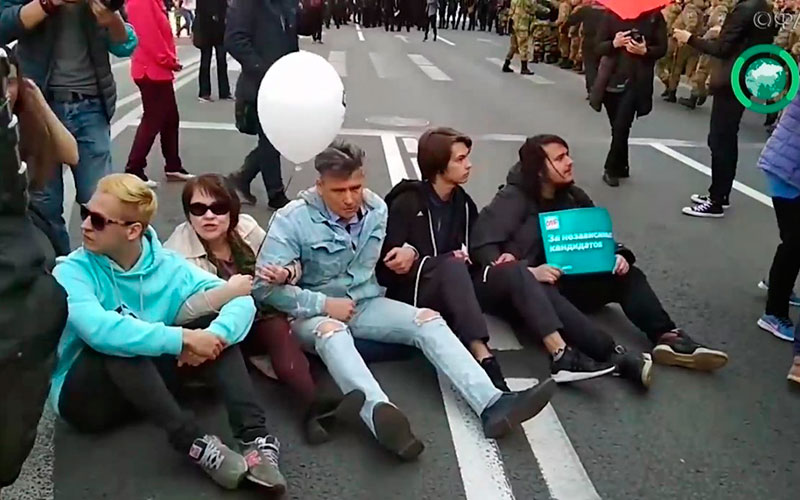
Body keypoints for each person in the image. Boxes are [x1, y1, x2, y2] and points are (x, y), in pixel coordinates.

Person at [253, 141, 556, 460]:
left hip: (364, 302)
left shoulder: (375, 210)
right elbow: (264, 290)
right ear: (319, 185)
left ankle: (493, 403)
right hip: (311, 313)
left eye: (355, 187)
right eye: (338, 191)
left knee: (428, 320)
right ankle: (382, 417)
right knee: (333, 333)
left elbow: (382, 258)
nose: (349, 199)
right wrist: (324, 305)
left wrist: (409, 250)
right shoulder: (291, 220)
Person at [51, 173, 288, 492]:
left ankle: (254, 437)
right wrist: (182, 339)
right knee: (117, 344)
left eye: (97, 220)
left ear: (133, 230)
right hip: (85, 399)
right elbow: (98, 329)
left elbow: (241, 301)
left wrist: (213, 336)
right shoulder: (71, 270)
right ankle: (193, 442)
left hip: (148, 386)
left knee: (213, 326)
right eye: (85, 213)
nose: (84, 226)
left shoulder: (167, 265)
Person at [378, 128, 624, 386]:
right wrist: (415, 255)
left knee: (514, 269)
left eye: (467, 157)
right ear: (439, 166)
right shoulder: (408, 202)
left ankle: (561, 354)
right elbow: (384, 270)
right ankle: (485, 361)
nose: (469, 165)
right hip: (419, 291)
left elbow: (474, 249)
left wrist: (504, 259)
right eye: (460, 159)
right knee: (453, 266)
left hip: (458, 283)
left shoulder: (463, 203)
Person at [471, 134, 730, 375]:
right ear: (539, 170)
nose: (569, 162)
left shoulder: (573, 196)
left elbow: (598, 237)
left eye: (568, 155)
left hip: (566, 281)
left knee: (628, 275)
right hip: (524, 292)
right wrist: (529, 272)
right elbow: (482, 245)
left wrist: (617, 255)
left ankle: (668, 337)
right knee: (545, 289)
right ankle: (612, 355)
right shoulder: (512, 198)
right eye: (559, 158)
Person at [164, 174, 365, 444]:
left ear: (232, 209)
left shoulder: (246, 228)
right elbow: (178, 313)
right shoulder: (176, 253)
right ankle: (314, 407)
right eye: (198, 209)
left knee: (275, 326)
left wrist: (284, 273)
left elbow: (293, 262)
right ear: (188, 213)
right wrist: (228, 292)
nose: (208, 216)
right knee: (269, 327)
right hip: (214, 329)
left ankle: (311, 409)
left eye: (218, 208)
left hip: (260, 315)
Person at [0, 0, 138, 256]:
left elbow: (126, 44)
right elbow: (4, 26)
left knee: (102, 201)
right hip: (40, 106)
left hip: (90, 104)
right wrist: (48, 3)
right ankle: (57, 271)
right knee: (45, 205)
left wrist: (110, 17)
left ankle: (102, 272)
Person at [0, 46, 71, 491]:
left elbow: (71, 153)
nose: (5, 90)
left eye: (10, 80)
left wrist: (36, 101)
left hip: (34, 237)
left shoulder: (23, 121)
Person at [674, 0, 776, 217]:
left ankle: (717, 200)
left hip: (732, 79)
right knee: (725, 138)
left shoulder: (745, 9)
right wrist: (724, 33)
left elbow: (721, 49)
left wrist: (689, 38)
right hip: (745, 77)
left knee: (721, 140)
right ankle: (720, 194)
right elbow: (748, 41)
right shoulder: (763, 8)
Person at [225, 0, 297, 209]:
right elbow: (234, 40)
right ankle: (275, 193)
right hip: (259, 83)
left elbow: (299, 32)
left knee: (278, 137)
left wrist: (313, 8)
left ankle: (242, 177)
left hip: (283, 81)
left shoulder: (286, 3)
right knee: (271, 138)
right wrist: (261, 68)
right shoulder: (249, 3)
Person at [594, 6, 667, 187]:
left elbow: (662, 48)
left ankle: (610, 168)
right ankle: (622, 164)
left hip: (636, 81)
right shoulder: (611, 14)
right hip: (611, 80)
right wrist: (614, 43)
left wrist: (645, 50)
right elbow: (598, 46)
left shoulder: (654, 17)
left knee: (622, 125)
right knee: (617, 127)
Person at [125, 0, 194, 189]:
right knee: (152, 119)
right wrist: (168, 59)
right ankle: (134, 168)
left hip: (157, 69)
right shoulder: (142, 2)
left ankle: (173, 165)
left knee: (170, 119)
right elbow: (148, 37)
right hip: (150, 69)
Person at [755, 94, 800, 360]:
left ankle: (778, 285)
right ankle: (774, 313)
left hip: (788, 165)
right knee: (795, 242)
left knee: (793, 238)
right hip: (788, 169)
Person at [194, 0, 231, 102]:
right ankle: (204, 92)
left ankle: (224, 92)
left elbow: (225, 7)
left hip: (219, 29)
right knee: (206, 62)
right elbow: (200, 10)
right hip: (206, 29)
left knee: (222, 61)